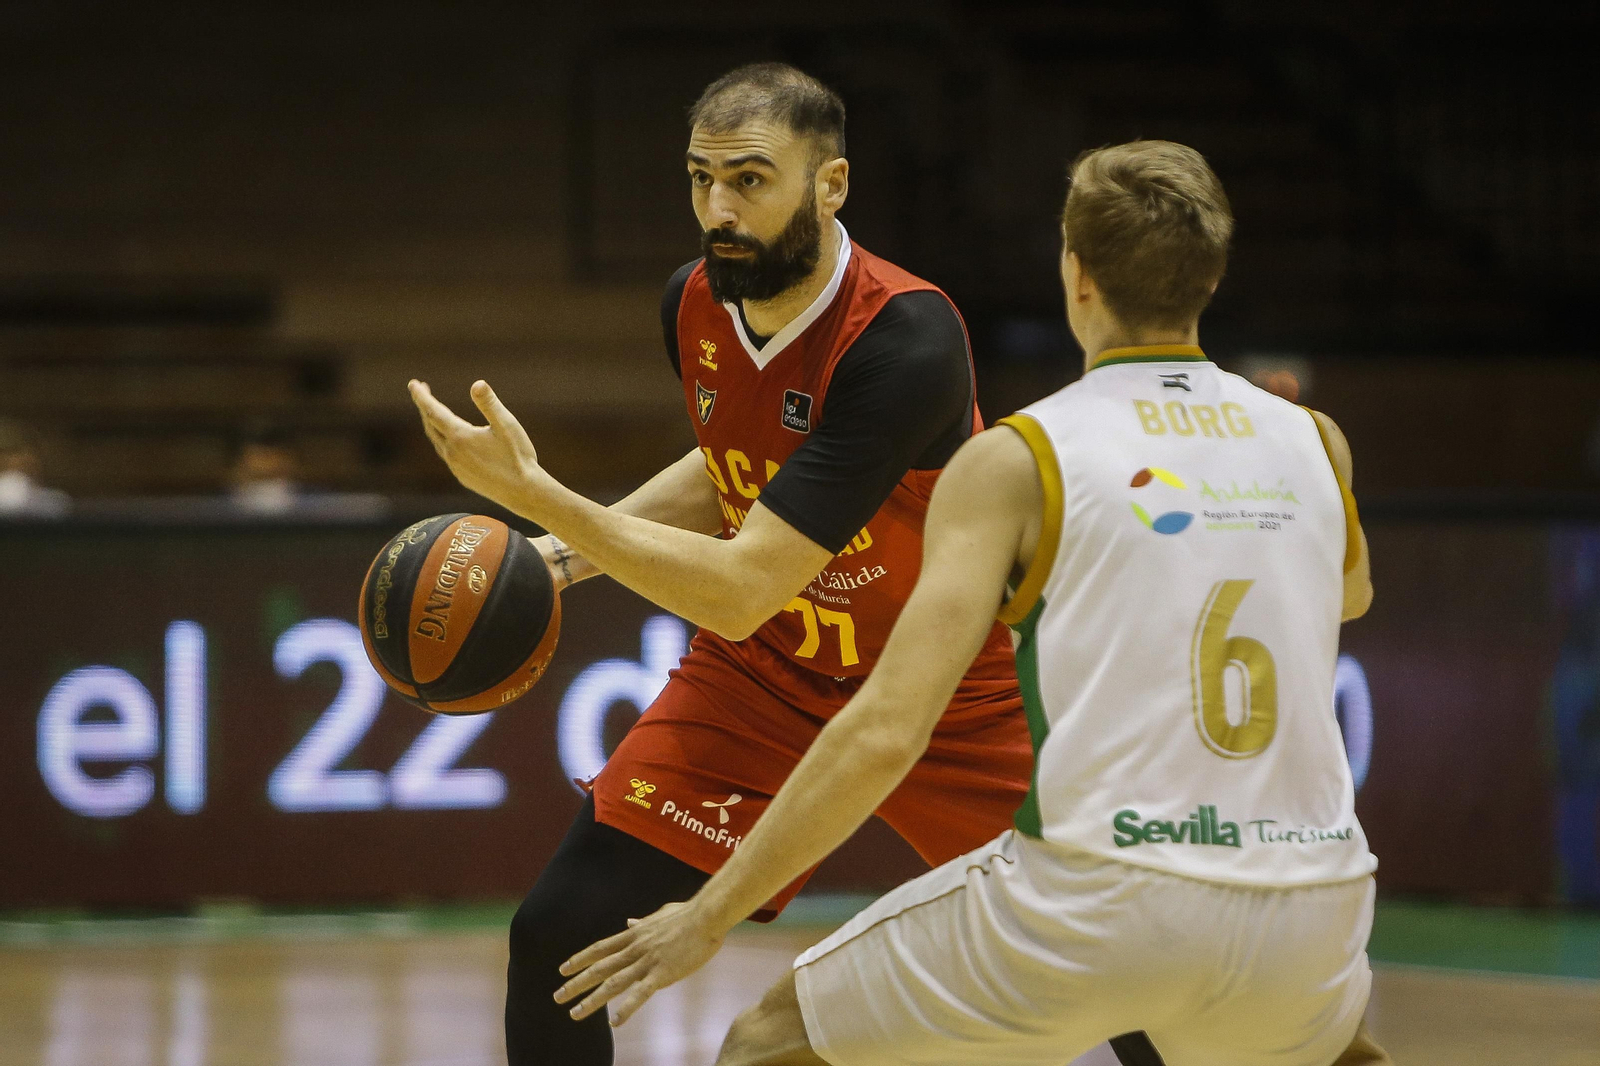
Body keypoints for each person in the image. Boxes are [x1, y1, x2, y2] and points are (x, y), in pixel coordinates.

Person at [554, 140, 1395, 1066]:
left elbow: (884, 730)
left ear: (1075, 275)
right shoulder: (1315, 440)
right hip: (1318, 893)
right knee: (1327, 1048)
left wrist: (709, 916)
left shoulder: (1021, 457)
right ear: (1213, 274)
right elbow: (1347, 595)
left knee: (768, 1042)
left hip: (1113, 891)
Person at [409, 64, 1141, 1066]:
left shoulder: (905, 335)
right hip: (764, 683)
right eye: (700, 178)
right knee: (554, 934)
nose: (718, 208)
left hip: (943, 689)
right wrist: (560, 556)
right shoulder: (692, 303)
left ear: (829, 184)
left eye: (749, 180)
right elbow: (733, 466)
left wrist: (539, 497)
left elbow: (749, 583)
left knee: (1126, 969)